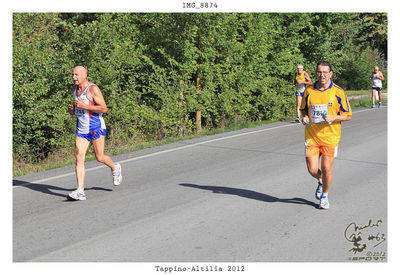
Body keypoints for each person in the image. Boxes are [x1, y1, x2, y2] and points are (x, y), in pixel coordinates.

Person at [300, 61, 352, 209]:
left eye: (325, 72)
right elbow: (303, 109)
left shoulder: (338, 92)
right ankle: (321, 181)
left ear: (331, 74)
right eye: (319, 72)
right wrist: (305, 117)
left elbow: (348, 115)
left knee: (327, 168)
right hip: (312, 136)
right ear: (316, 73)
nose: (322, 75)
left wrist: (333, 117)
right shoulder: (309, 91)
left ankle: (325, 195)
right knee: (312, 169)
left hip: (331, 137)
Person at [67, 66, 122, 201]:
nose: (74, 77)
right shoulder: (75, 90)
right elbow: (80, 110)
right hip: (82, 130)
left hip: (96, 127)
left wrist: (84, 106)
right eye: (73, 74)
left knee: (100, 157)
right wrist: (73, 111)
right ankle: (80, 190)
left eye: (76, 74)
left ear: (84, 75)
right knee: (79, 157)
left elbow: (104, 108)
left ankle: (115, 168)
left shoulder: (92, 89)